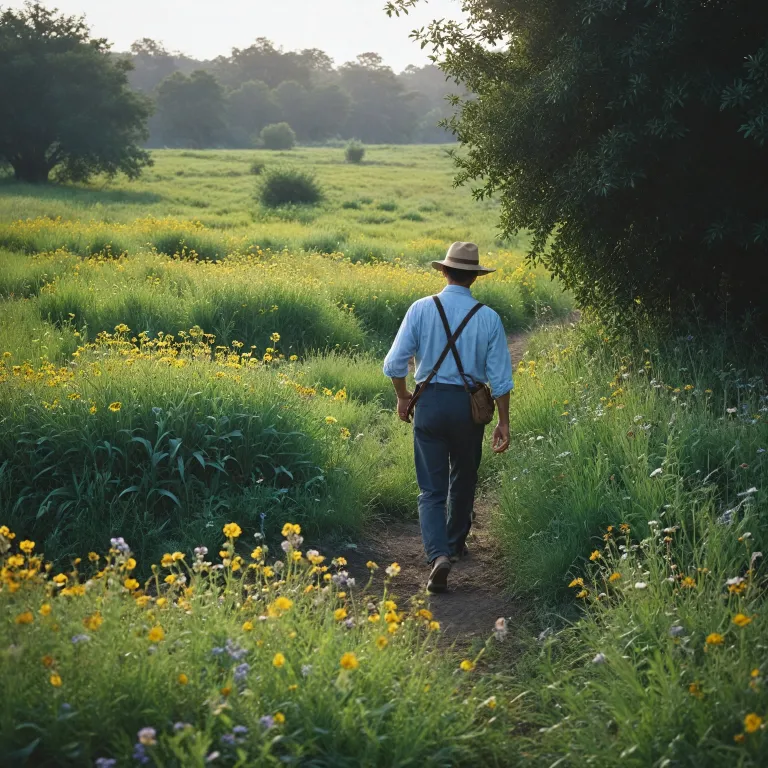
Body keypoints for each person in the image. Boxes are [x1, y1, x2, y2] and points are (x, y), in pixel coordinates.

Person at [383, 242, 513, 593]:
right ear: (475, 277)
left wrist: (403, 396)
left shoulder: (421, 308)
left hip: (429, 403)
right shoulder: (488, 317)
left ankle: (437, 554)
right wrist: (503, 421)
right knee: (464, 477)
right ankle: (454, 545)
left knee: (431, 489)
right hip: (469, 408)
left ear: (443, 271)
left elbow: (394, 364)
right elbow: (501, 379)